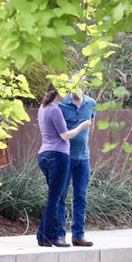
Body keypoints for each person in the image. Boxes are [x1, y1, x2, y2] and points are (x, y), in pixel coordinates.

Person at [37, 84, 92, 247]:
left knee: (73, 197)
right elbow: (65, 135)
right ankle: (55, 236)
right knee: (57, 198)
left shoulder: (44, 107)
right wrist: (82, 126)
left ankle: (48, 236)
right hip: (59, 155)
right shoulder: (56, 108)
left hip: (78, 157)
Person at [57, 86, 97, 246]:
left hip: (83, 158)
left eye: (81, 85)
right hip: (65, 157)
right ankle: (60, 235)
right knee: (61, 196)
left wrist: (83, 143)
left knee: (80, 197)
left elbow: (91, 127)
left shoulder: (91, 103)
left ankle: (78, 235)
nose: (77, 88)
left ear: (85, 86)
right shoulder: (61, 104)